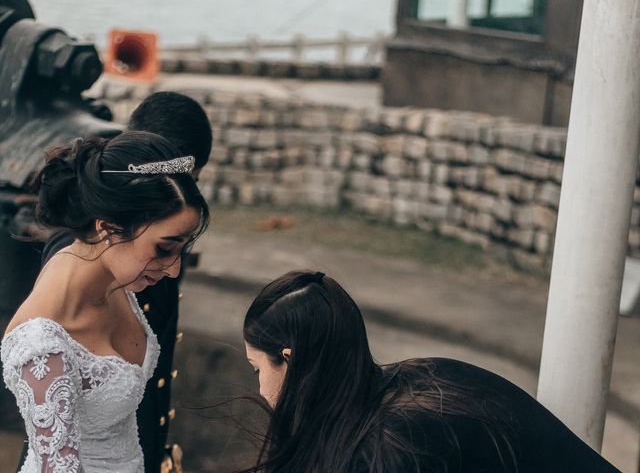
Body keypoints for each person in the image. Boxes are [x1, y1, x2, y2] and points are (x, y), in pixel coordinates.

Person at [241, 270, 621, 473]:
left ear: (290, 360)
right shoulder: (416, 379)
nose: (260, 388)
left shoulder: (395, 445)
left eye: (257, 368)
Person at [1, 131, 210, 472]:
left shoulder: (111, 278)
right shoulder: (41, 344)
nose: (173, 270)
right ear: (108, 229)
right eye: (164, 249)